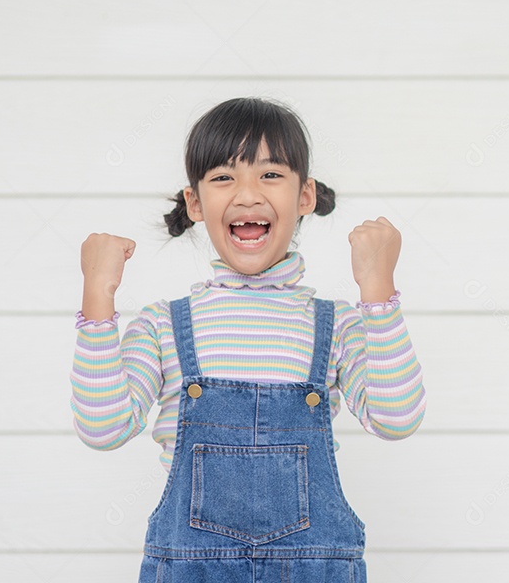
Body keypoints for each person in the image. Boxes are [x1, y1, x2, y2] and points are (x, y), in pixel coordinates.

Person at [69, 97, 426, 581]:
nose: (247, 194)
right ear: (194, 202)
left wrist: (377, 289)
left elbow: (397, 418)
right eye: (223, 177)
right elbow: (102, 427)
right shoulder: (162, 326)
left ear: (305, 196)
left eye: (270, 174)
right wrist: (98, 296)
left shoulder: (337, 324)